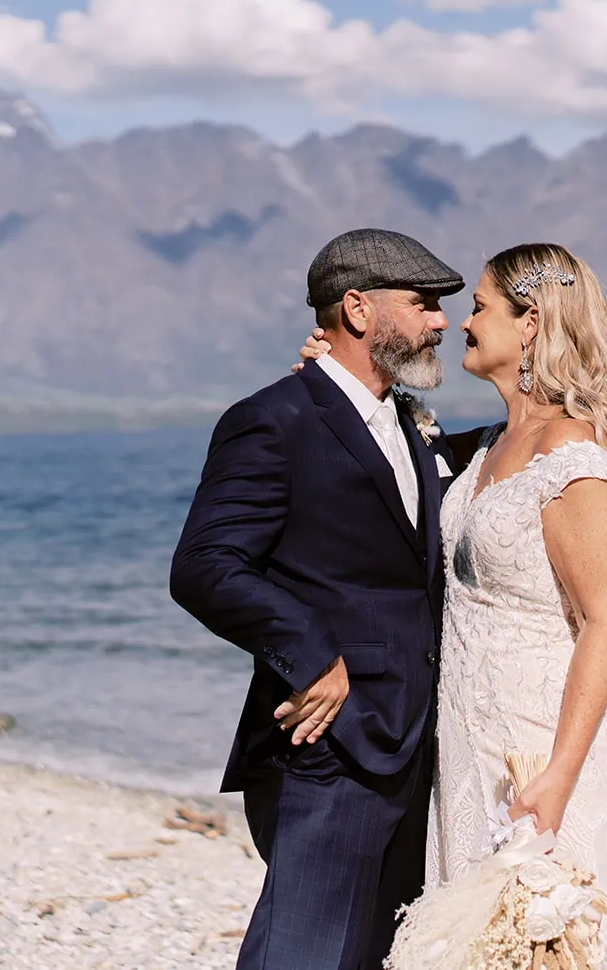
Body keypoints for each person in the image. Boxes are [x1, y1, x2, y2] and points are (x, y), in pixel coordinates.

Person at [301, 242, 607, 968]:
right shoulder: (497, 444)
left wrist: (558, 770)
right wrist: (335, 378)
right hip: (473, 737)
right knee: (477, 943)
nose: (463, 323)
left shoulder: (573, 455)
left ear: (529, 324)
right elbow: (395, 461)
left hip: (546, 739)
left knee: (558, 944)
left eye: (480, 307)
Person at [170, 227, 465, 970]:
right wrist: (311, 654)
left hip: (414, 743)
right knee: (298, 956)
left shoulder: (405, 421)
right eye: (424, 302)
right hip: (325, 741)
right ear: (359, 309)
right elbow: (205, 564)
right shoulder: (274, 419)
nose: (441, 320)